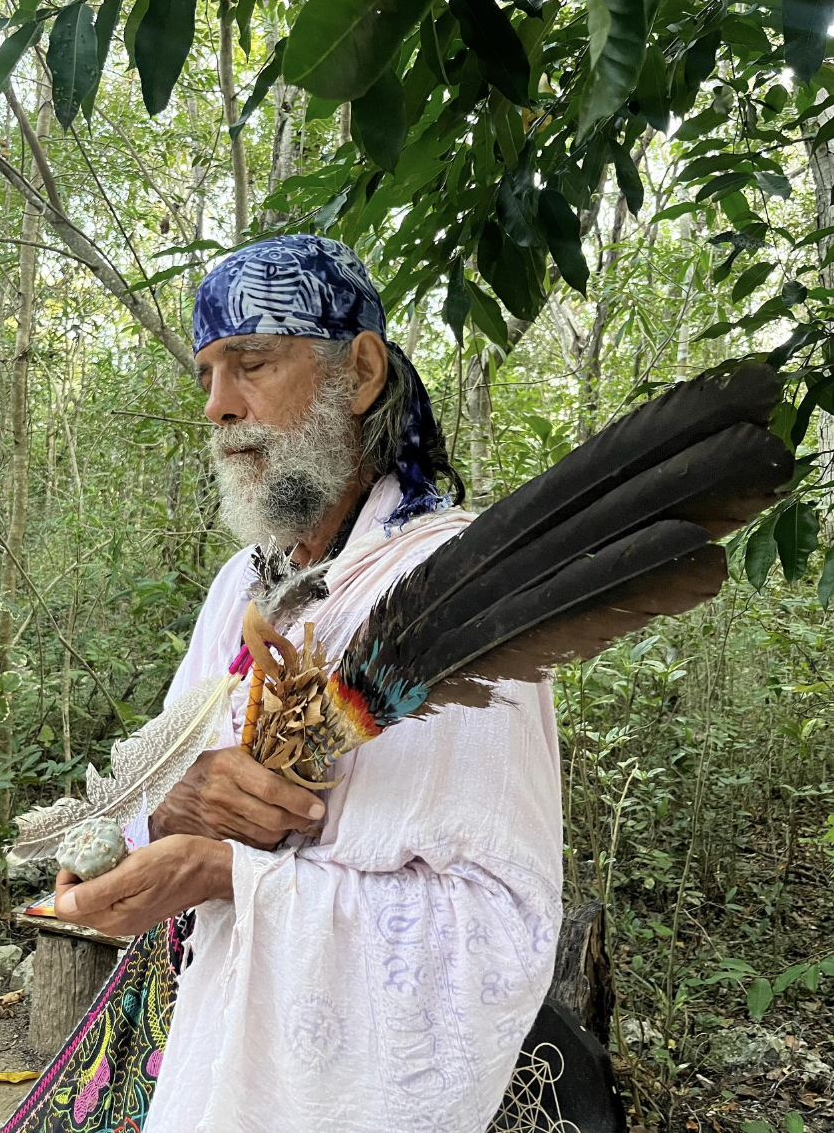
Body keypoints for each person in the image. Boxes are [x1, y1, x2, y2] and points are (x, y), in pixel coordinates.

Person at [51, 234, 563, 1133]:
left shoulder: (456, 589)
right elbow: (146, 789)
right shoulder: (241, 584)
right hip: (211, 1067)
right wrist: (170, 811)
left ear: (359, 371)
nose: (217, 405)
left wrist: (230, 875)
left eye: (250, 363)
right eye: (207, 373)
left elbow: (500, 927)